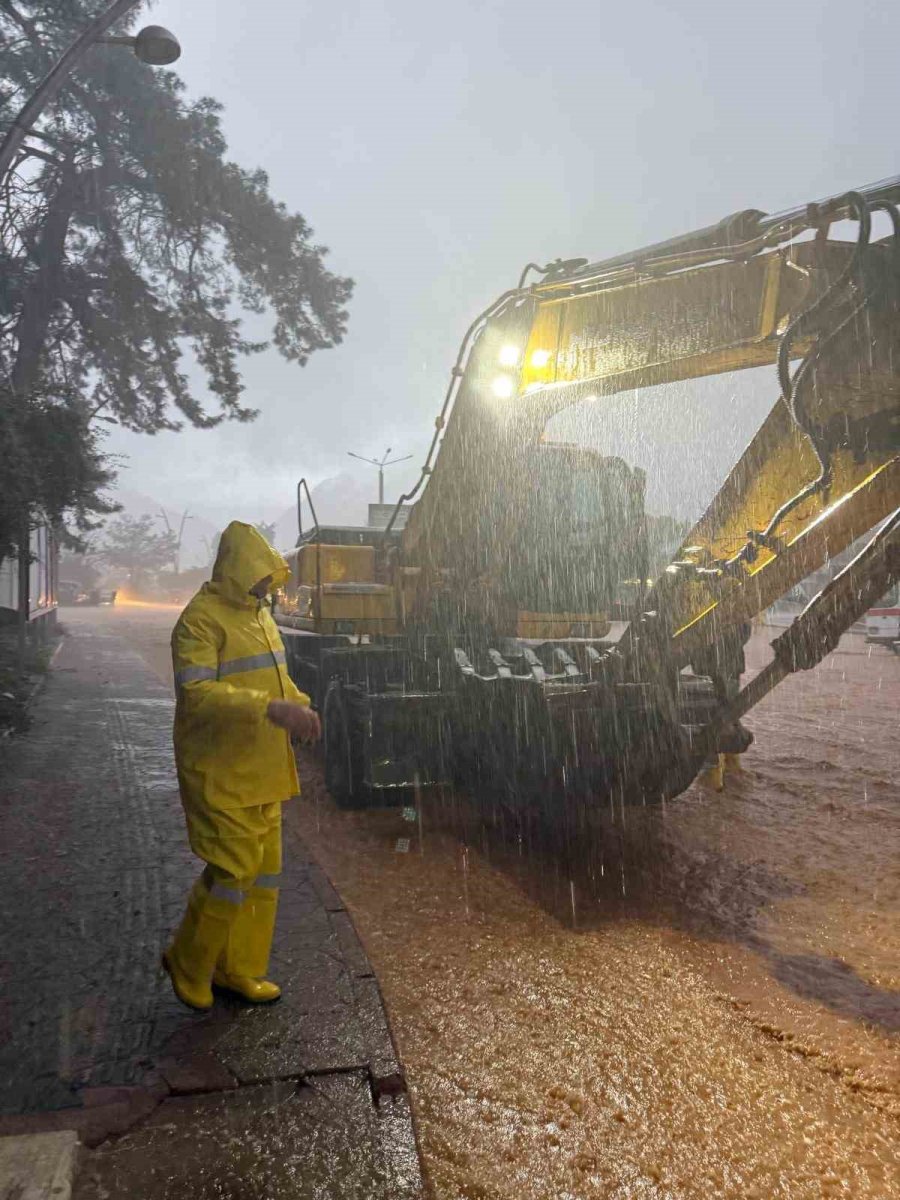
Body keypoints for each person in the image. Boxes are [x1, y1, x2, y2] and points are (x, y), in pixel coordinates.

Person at [163, 521, 321, 1010]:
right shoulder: (200, 621)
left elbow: (279, 681)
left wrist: (300, 705)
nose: (265, 586)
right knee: (233, 872)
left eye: (269, 578)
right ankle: (188, 963)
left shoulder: (261, 617)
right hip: (220, 769)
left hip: (264, 768)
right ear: (234, 571)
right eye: (258, 577)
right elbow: (196, 693)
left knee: (264, 877)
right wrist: (270, 709)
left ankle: (238, 969)